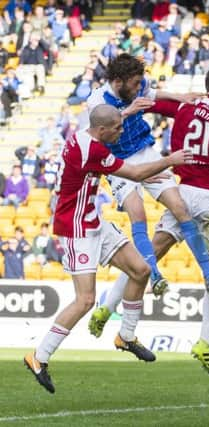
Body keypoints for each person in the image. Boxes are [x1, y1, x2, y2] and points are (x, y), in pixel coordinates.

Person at [88, 70, 209, 375]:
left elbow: (147, 103)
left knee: (147, 255)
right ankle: (204, 342)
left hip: (183, 191)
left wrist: (166, 98)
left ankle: (106, 307)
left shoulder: (185, 106)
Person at [23, 104, 192, 394]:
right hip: (77, 229)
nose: (121, 131)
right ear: (102, 130)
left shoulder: (84, 136)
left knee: (140, 270)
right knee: (85, 300)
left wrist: (125, 115)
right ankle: (39, 357)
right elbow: (136, 173)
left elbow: (122, 153)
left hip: (94, 221)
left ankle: (125, 336)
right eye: (117, 128)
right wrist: (170, 160)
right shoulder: (94, 151)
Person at [86, 53, 209, 297]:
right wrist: (128, 112)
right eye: (135, 83)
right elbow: (98, 133)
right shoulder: (97, 100)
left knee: (180, 207)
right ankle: (154, 274)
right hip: (118, 163)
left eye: (140, 82)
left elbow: (153, 92)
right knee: (138, 214)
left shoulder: (138, 85)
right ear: (119, 82)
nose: (140, 87)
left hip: (145, 151)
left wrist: (180, 96)